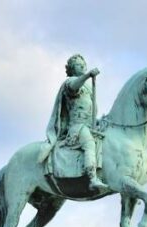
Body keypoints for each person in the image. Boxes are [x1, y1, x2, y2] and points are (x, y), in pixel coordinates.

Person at [45, 54, 108, 192]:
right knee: (89, 143)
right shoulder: (70, 82)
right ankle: (92, 179)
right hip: (77, 127)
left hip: (89, 125)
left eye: (84, 65)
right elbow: (74, 87)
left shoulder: (87, 88)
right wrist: (87, 75)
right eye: (79, 65)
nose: (83, 67)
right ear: (72, 69)